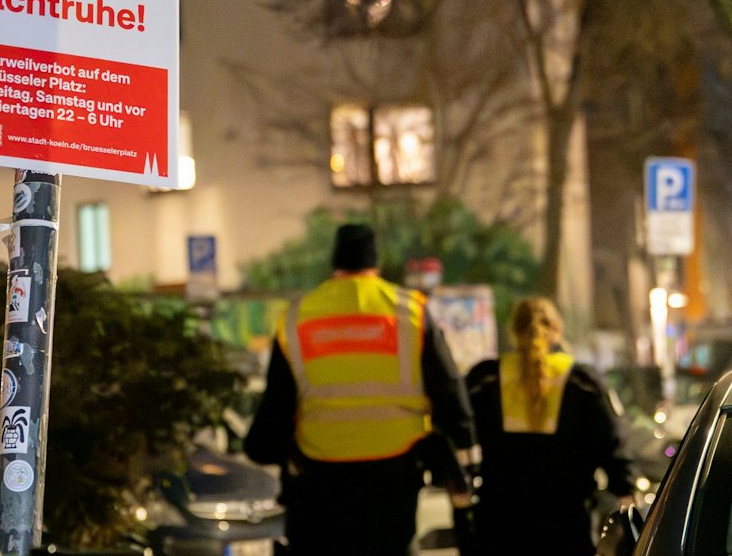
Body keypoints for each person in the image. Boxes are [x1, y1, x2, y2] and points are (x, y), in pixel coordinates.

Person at [246, 223, 476, 556]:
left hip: (320, 481)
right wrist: (464, 447)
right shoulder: (410, 311)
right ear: (376, 262)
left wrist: (267, 449)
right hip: (394, 476)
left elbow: (278, 405)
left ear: (334, 262)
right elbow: (448, 389)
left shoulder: (296, 317)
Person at [464, 297, 637, 554]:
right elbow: (612, 439)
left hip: (499, 523)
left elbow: (459, 430)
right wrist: (624, 489)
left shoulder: (485, 379)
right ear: (557, 330)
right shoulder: (582, 382)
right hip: (565, 524)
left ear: (514, 332)